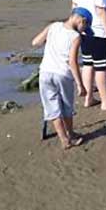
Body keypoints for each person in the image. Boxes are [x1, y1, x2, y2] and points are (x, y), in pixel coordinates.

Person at [32, 8, 92, 149]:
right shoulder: (75, 37)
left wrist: (51, 41)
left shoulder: (53, 26)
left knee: (52, 108)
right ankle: (70, 134)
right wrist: (80, 84)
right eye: (85, 26)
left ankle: (64, 139)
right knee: (66, 107)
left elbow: (35, 42)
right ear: (81, 20)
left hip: (45, 73)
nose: (84, 30)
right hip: (62, 75)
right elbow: (72, 62)